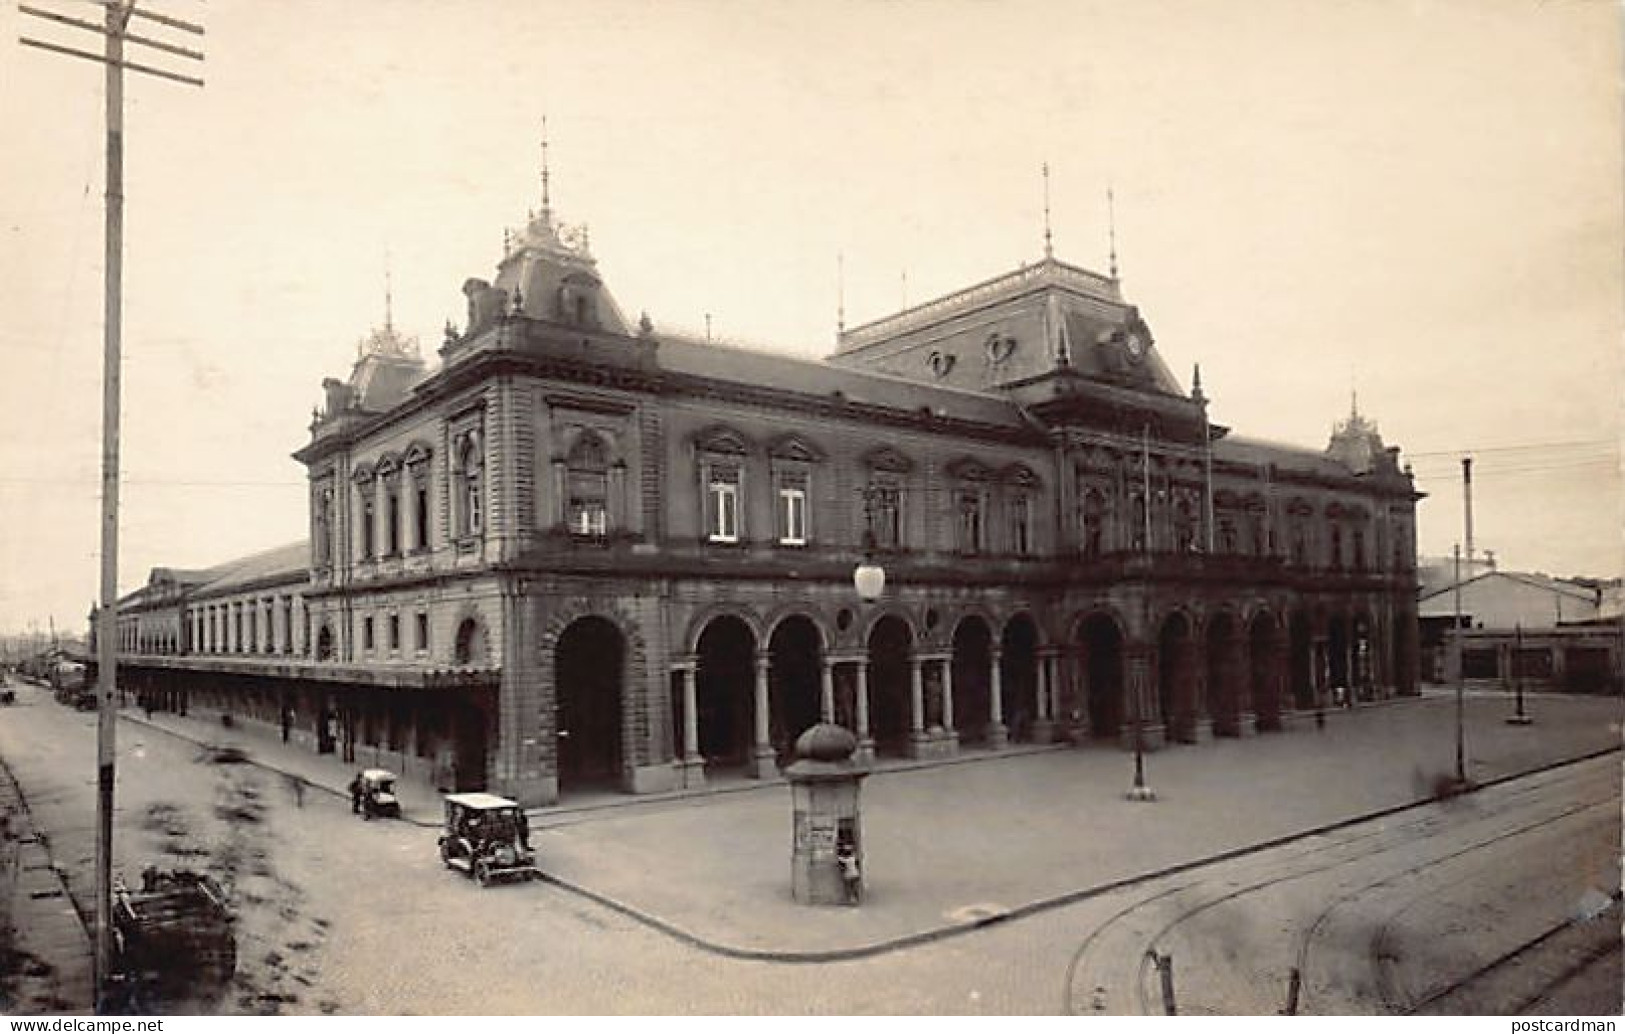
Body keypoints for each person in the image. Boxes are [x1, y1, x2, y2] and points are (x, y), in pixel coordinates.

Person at [836, 841, 862, 906]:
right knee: (854, 888)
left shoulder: (847, 860)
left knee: (849, 888)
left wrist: (836, 854)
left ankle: (850, 901)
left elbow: (840, 859)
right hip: (856, 874)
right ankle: (857, 900)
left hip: (849, 876)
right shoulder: (853, 858)